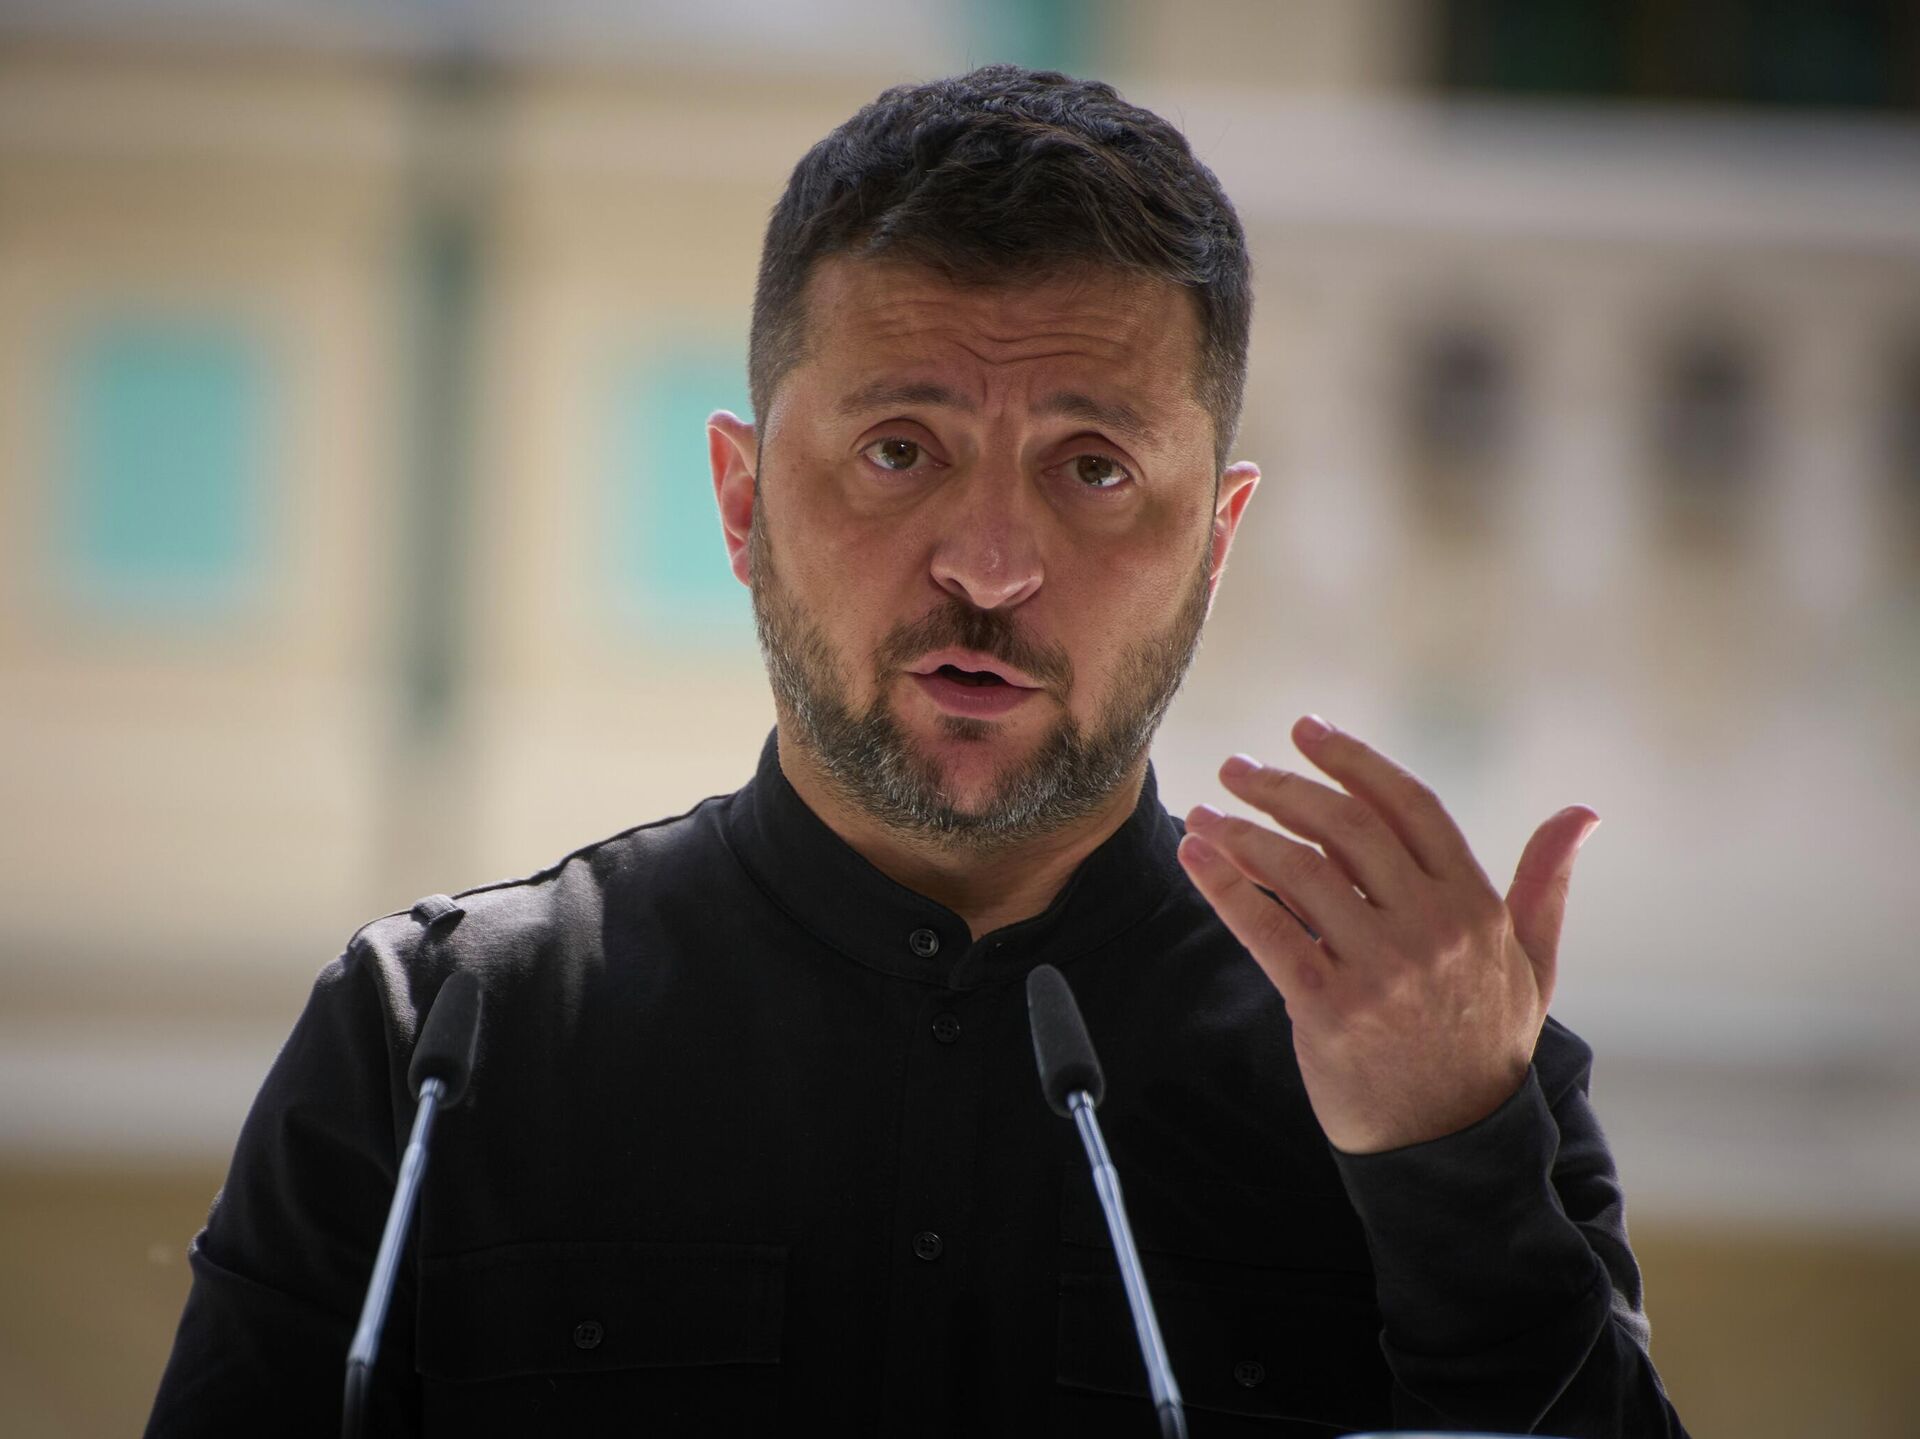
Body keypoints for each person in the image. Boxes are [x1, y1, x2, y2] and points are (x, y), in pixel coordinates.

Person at [147, 65, 1688, 1437]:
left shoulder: (1426, 1067)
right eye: (901, 450)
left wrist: (1453, 1165)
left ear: (1216, 543)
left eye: (1093, 468)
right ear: (744, 501)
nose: (992, 564)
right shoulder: (435, 1043)